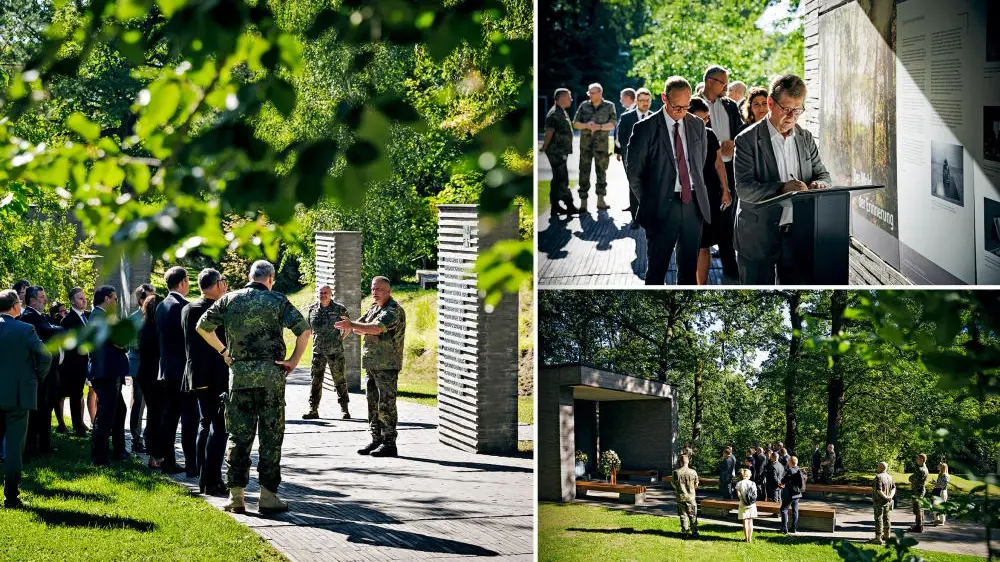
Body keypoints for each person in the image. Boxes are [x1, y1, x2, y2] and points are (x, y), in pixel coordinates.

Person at [196, 260, 311, 515]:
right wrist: (293, 361)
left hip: (240, 378)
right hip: (271, 379)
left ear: (250, 277)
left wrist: (224, 351)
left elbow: (202, 326)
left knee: (238, 437)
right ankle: (268, 496)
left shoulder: (230, 299)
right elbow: (304, 331)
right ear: (270, 278)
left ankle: (236, 496)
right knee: (271, 438)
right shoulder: (278, 300)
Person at [733, 74, 832, 285]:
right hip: (757, 236)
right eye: (786, 109)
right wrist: (782, 188)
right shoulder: (746, 140)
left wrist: (819, 184)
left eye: (797, 110)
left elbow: (823, 174)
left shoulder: (805, 138)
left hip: (797, 235)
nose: (792, 116)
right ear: (770, 103)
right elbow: (744, 189)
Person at [625, 76, 711, 285]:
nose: (681, 111)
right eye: (676, 106)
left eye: (686, 106)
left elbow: (700, 163)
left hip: (693, 206)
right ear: (664, 98)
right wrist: (650, 201)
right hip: (661, 207)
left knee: (689, 273)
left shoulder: (697, 125)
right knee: (656, 271)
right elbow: (634, 172)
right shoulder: (645, 128)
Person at [336, 277, 406, 458]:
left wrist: (354, 325)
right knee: (372, 403)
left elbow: (375, 328)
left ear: (388, 291)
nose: (375, 292)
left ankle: (390, 443)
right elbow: (360, 326)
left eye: (379, 289)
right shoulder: (374, 308)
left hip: (387, 366)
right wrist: (351, 325)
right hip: (372, 365)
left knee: (386, 405)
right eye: (373, 289)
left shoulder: (393, 310)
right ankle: (376, 439)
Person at [0, 289, 52, 508]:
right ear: (15, 306)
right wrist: (35, 377)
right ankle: (11, 496)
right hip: (18, 396)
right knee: (14, 448)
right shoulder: (25, 329)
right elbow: (45, 356)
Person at [182, 269, 230, 497]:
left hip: (196, 374)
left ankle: (202, 475)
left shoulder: (187, 308)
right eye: (223, 282)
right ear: (217, 284)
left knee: (205, 424)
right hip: (215, 375)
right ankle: (212, 480)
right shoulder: (216, 310)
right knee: (220, 428)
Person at [699, 65, 744, 280]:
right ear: (709, 81)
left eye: (727, 83)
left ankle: (729, 267)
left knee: (727, 218)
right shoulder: (693, 104)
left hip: (728, 168)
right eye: (722, 83)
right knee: (704, 220)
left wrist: (733, 142)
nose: (726, 87)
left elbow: (742, 132)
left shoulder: (731, 106)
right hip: (704, 172)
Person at [156, 266, 198, 476]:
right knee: (190, 418)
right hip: (183, 371)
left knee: (169, 418)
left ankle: (168, 462)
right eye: (187, 280)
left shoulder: (160, 306)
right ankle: (192, 464)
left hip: (165, 369)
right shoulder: (184, 307)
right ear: (182, 282)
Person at [687, 97, 733, 285]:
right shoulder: (677, 136)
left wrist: (726, 190)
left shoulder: (710, 134)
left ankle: (701, 286)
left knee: (704, 244)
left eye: (706, 119)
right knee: (686, 245)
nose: (704, 123)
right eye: (700, 119)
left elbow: (718, 163)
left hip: (709, 194)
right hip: (685, 195)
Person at [88, 285, 130, 466]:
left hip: (107, 370)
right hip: (107, 371)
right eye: (114, 298)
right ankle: (100, 458)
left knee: (118, 410)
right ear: (106, 299)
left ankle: (118, 449)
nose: (116, 302)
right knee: (106, 414)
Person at [304, 284, 351, 420]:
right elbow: (309, 329)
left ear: (331, 294)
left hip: (335, 352)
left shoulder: (339, 309)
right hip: (318, 351)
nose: (323, 295)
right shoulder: (312, 309)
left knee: (340, 380)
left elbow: (348, 326)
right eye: (321, 292)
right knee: (315, 381)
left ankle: (344, 409)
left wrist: (341, 337)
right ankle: (313, 409)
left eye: (326, 293)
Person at [573, 83, 617, 211]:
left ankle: (600, 200)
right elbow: (575, 124)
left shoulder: (609, 106)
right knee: (584, 172)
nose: (590, 95)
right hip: (585, 146)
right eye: (589, 93)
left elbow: (613, 124)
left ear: (600, 93)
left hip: (601, 147)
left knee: (601, 173)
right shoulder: (584, 105)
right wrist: (587, 125)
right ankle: (583, 202)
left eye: (593, 93)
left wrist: (600, 127)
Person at [615, 88, 653, 228]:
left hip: (650, 160)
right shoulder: (626, 117)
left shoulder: (654, 116)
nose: (644, 103)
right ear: (636, 101)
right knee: (634, 186)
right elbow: (621, 138)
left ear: (650, 101)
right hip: (631, 159)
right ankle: (635, 219)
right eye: (641, 100)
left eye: (647, 100)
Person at [126, 284, 155, 454]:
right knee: (139, 404)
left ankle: (149, 436)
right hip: (139, 366)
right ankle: (136, 439)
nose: (154, 300)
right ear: (141, 300)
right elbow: (131, 344)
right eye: (151, 297)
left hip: (154, 367)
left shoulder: (156, 315)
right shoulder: (133, 319)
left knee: (153, 405)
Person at [541, 88, 579, 216]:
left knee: (557, 179)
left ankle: (555, 206)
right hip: (557, 151)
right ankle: (569, 205)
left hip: (560, 151)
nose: (571, 99)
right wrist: (544, 147)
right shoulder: (555, 113)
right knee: (562, 178)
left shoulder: (561, 111)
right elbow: (549, 132)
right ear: (561, 98)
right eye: (569, 97)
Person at [137, 295, 164, 469]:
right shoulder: (158, 329)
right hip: (156, 376)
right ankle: (155, 455)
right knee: (157, 416)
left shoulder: (143, 327)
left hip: (144, 374)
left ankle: (152, 453)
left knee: (153, 415)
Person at [59, 287, 91, 437]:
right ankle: (78, 428)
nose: (84, 300)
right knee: (75, 395)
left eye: (84, 297)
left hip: (87, 362)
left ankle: (83, 425)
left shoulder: (88, 316)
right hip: (74, 364)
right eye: (80, 298)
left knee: (81, 395)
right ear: (72, 301)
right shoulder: (68, 319)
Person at [672, 454, 700, 539]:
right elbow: (696, 484)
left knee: (683, 515)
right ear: (688, 461)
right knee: (693, 515)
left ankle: (685, 532)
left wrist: (680, 488)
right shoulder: (693, 472)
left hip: (680, 496)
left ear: (680, 462)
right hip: (691, 497)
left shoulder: (676, 472)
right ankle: (695, 532)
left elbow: (673, 484)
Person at [778, 455, 806, 535]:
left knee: (783, 509)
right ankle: (794, 528)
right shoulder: (799, 470)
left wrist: (781, 483)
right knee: (795, 510)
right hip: (797, 493)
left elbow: (783, 481)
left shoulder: (790, 471)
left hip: (790, 493)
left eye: (788, 461)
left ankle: (784, 528)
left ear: (790, 462)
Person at [870, 461, 897, 545]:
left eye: (878, 466)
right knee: (887, 518)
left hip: (879, 501)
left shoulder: (878, 477)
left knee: (878, 519)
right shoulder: (890, 477)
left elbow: (879, 490)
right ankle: (887, 536)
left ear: (881, 468)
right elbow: (893, 488)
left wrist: (885, 497)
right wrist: (890, 497)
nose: (877, 468)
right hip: (887, 502)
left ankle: (878, 538)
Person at [735, 468, 758, 543]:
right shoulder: (753, 483)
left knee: (745, 521)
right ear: (749, 475)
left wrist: (742, 499)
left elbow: (738, 494)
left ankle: (746, 538)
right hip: (751, 504)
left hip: (743, 503)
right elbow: (755, 495)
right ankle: (750, 539)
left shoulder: (739, 483)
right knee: (750, 521)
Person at [908, 453, 929, 533]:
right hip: (918, 490)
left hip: (918, 491)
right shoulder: (922, 468)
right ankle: (919, 525)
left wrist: (911, 477)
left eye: (918, 458)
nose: (916, 460)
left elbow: (911, 479)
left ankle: (918, 526)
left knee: (917, 509)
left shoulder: (921, 470)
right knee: (919, 508)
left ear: (922, 460)